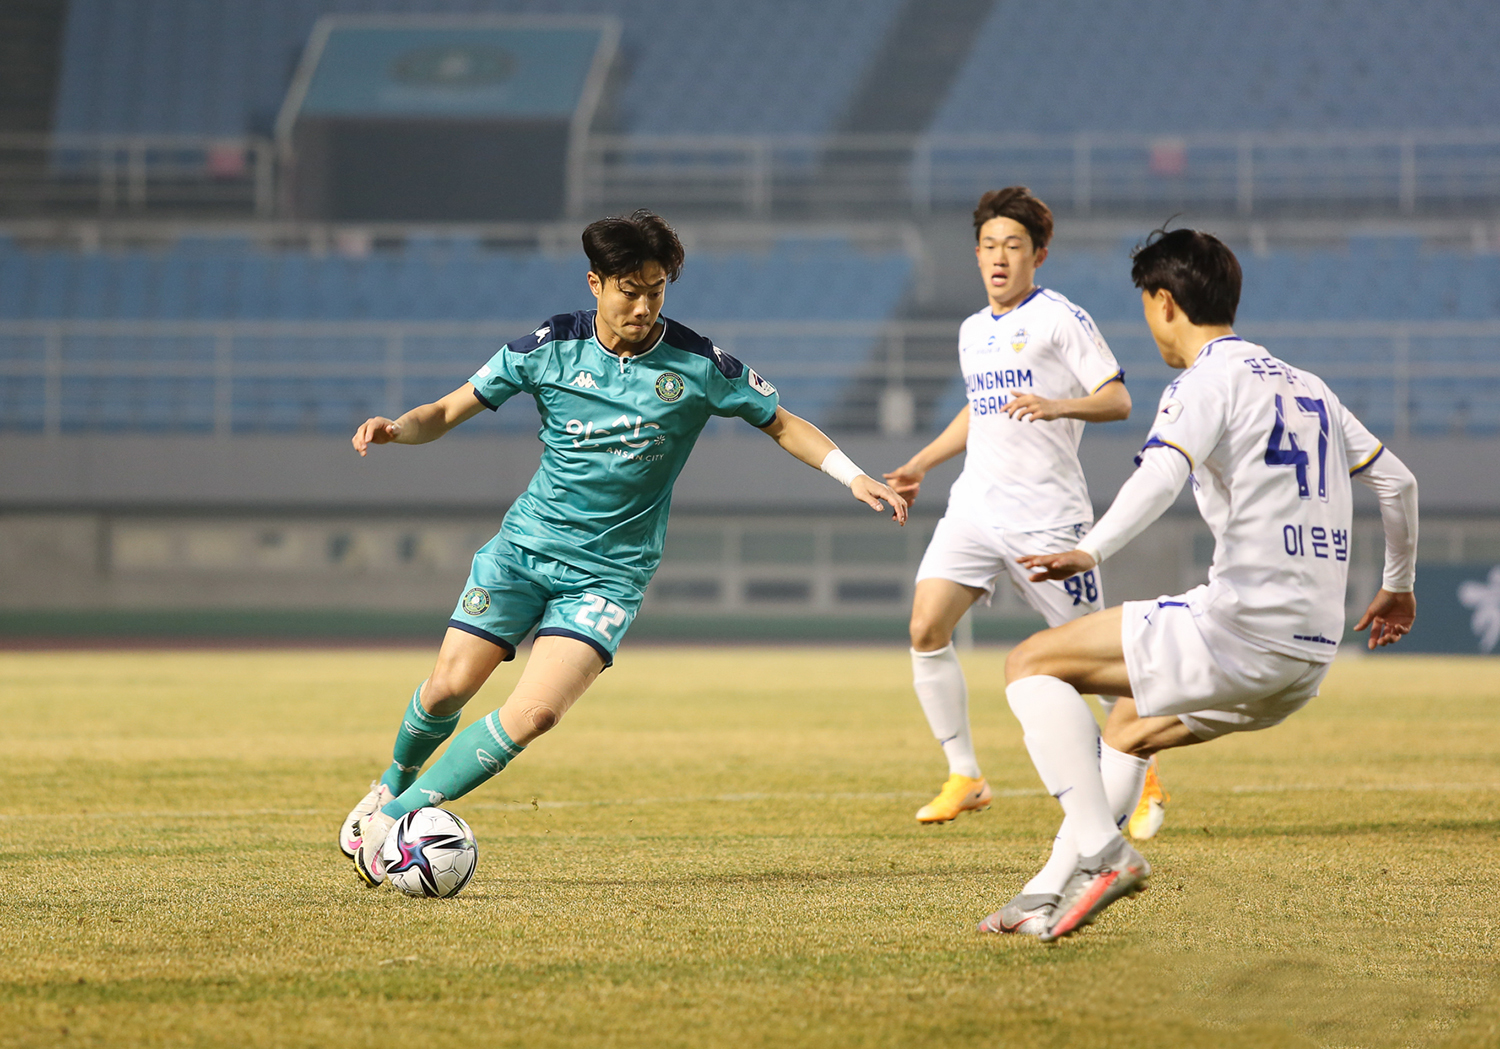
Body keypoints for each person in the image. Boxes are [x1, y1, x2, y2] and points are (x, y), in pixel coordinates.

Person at [340, 209, 908, 886]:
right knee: (447, 688)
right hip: (523, 552)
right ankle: (390, 783)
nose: (643, 306)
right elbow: (445, 409)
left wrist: (852, 475)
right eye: (629, 290)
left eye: (656, 290)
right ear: (596, 284)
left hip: (609, 575)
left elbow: (782, 423)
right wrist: (398, 428)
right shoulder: (547, 347)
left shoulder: (698, 364)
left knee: (537, 712)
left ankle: (393, 820)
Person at [981, 228, 1418, 940]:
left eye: (1146, 306)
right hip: (1308, 659)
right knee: (1128, 725)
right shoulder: (1310, 387)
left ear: (1163, 302)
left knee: (1029, 664)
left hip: (1240, 630)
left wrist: (1089, 550)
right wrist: (1397, 584)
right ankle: (1044, 892)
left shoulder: (1206, 381)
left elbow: (1161, 474)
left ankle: (1104, 852)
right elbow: (1399, 482)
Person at [883, 187, 1167, 831]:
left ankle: (1144, 766)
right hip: (975, 508)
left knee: (1095, 666)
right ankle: (966, 775)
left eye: (1013, 245)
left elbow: (1118, 399)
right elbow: (980, 411)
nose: (999, 257)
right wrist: (922, 463)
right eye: (989, 245)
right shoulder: (972, 330)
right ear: (976, 254)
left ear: (1038, 254)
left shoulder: (1060, 319)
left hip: (1049, 520)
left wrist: (1057, 404)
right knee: (926, 627)